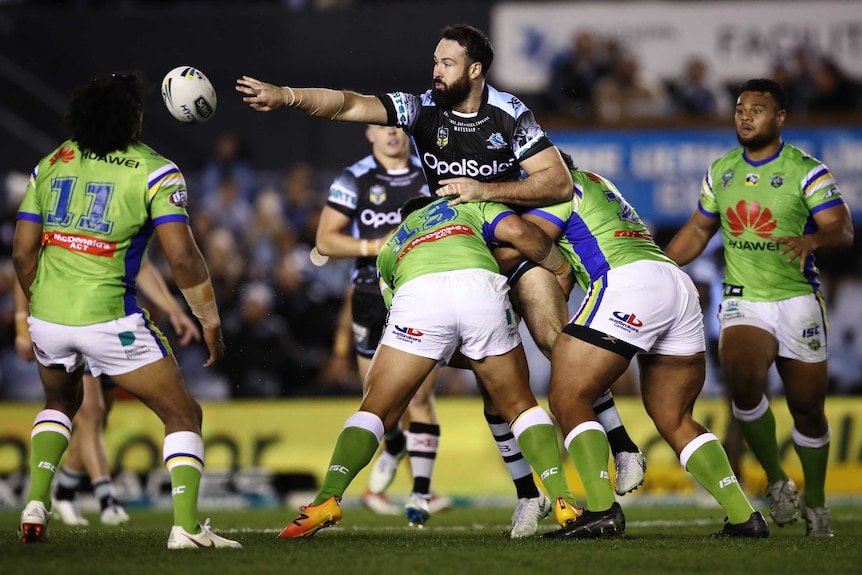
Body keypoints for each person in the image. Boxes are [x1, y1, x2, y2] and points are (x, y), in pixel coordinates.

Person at [237, 23, 646, 537]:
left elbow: (557, 181)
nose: (435, 70)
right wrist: (288, 96)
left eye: (446, 63)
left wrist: (485, 189)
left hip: (515, 237)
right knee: (494, 388)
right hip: (468, 249)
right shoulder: (421, 109)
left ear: (475, 70)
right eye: (434, 61)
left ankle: (622, 444)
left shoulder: (509, 113)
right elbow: (349, 104)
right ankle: (531, 496)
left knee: (554, 344)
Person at [14, 72, 240, 549]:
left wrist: (42, 305)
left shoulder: (52, 163)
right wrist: (209, 318)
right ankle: (186, 528)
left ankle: (37, 501)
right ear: (133, 118)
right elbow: (182, 257)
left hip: (47, 318)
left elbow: (21, 253)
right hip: (110, 318)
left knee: (60, 404)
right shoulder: (155, 170)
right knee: (183, 415)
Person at [279, 194, 583, 538]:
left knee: (375, 409)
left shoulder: (391, 245)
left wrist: (445, 350)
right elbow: (518, 231)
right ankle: (563, 499)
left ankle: (326, 498)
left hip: (419, 297)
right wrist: (560, 268)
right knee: (520, 405)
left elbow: (399, 313)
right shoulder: (467, 204)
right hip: (480, 288)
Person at [521, 151, 768, 540]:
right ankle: (744, 517)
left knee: (568, 396)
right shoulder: (601, 183)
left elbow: (521, 242)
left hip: (625, 282)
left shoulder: (556, 190)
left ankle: (601, 511)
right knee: (674, 417)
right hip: (674, 282)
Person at [664, 78, 853, 538]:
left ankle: (817, 503)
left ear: (780, 118)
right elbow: (697, 230)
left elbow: (842, 229)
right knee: (744, 383)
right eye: (740, 109)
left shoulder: (807, 171)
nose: (745, 116)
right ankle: (775, 478)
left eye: (757, 110)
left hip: (798, 301)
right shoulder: (721, 171)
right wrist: (657, 263)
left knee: (808, 408)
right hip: (743, 299)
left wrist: (813, 238)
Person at [314, 124, 447, 521]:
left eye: (397, 126)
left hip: (421, 291)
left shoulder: (429, 172)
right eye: (382, 126)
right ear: (369, 133)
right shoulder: (355, 178)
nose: (391, 132)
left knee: (420, 397)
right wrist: (379, 245)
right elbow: (325, 240)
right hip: (370, 295)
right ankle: (392, 445)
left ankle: (421, 495)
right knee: (375, 399)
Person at [13, 259, 202, 527]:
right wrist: (22, 322)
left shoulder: (103, 224)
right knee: (91, 411)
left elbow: (142, 264)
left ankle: (64, 488)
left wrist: (170, 307)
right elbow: (26, 259)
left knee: (96, 417)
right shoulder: (66, 220)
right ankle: (106, 497)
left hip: (109, 321)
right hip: (82, 318)